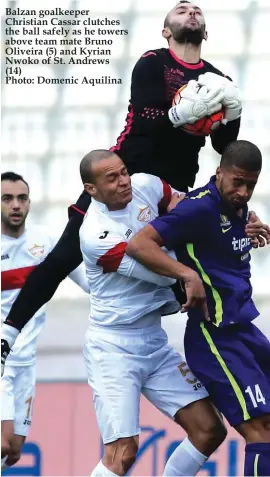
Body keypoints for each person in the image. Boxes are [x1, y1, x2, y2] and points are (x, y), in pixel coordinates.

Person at [1, 0, 242, 352]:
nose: (190, 12)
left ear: (206, 31)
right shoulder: (152, 62)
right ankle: (7, 336)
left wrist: (232, 112)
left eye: (196, 11)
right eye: (181, 10)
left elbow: (223, 145)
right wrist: (183, 113)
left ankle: (222, 355)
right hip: (122, 175)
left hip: (172, 188)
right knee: (65, 255)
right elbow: (146, 119)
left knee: (194, 270)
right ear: (165, 30)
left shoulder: (218, 80)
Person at [78, 149, 227, 477]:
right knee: (122, 453)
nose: (123, 182)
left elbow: (190, 209)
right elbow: (160, 273)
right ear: (91, 189)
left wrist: (239, 219)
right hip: (113, 348)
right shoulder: (95, 235)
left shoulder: (147, 185)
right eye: (111, 178)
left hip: (152, 341)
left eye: (123, 172)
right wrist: (190, 273)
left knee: (209, 429)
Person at [126, 140, 270, 476]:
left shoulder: (237, 209)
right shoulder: (198, 209)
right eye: (237, 182)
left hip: (243, 329)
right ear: (218, 172)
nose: (244, 191)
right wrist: (186, 273)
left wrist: (251, 231)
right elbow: (139, 244)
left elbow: (220, 247)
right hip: (214, 335)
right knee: (259, 430)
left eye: (251, 184)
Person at [1, 172, 89, 470]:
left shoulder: (46, 241)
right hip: (1, 359)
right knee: (1, 441)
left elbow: (88, 283)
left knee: (12, 451)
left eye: (22, 198)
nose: (16, 205)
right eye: (7, 198)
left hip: (26, 362)